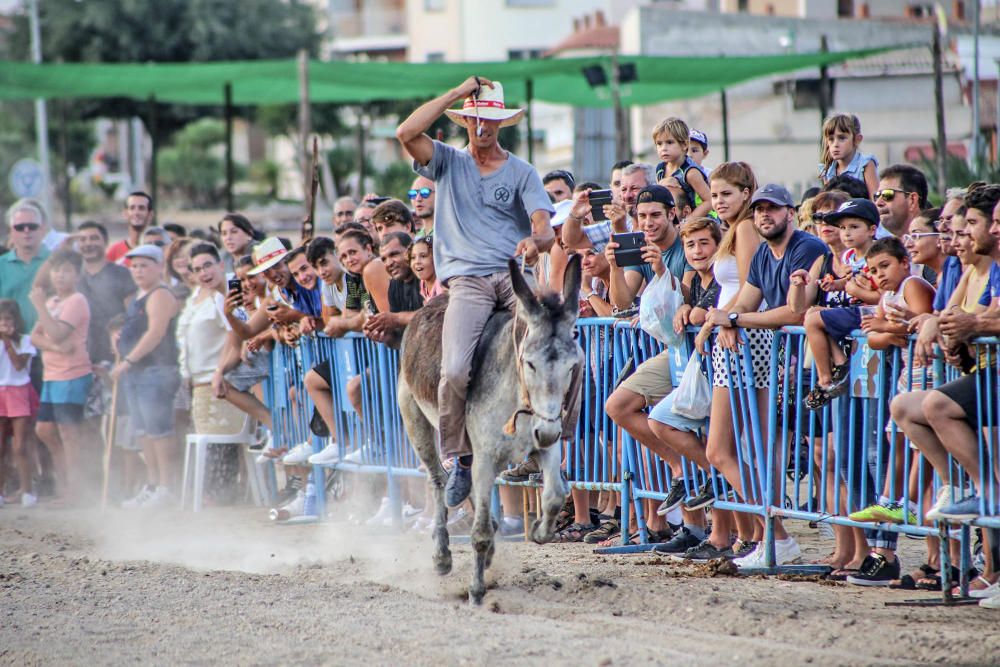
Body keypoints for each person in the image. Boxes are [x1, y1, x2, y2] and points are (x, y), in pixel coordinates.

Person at [396, 75, 555, 506]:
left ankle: (555, 433)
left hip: (513, 274)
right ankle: (459, 459)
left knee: (554, 346)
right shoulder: (446, 161)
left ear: (501, 123)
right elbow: (406, 133)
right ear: (466, 120)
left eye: (490, 120)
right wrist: (453, 93)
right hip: (466, 280)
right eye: (474, 119)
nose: (482, 127)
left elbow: (544, 225)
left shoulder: (522, 171)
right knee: (454, 369)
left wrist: (535, 240)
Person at [700, 184, 828, 569]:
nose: (764, 215)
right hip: (765, 352)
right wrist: (722, 319)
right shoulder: (761, 254)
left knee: (735, 450)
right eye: (759, 210)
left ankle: (780, 537)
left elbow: (793, 314)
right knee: (736, 450)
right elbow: (745, 301)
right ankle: (773, 537)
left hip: (802, 359)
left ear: (790, 212)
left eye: (772, 209)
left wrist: (734, 319)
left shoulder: (806, 247)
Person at [593, 185, 694, 545]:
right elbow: (621, 304)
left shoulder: (686, 246)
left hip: (697, 350)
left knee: (681, 423)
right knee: (618, 406)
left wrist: (662, 268)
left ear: (673, 215)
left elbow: (686, 301)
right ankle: (680, 465)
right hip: (673, 351)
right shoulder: (636, 246)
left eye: (655, 215)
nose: (648, 223)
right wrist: (614, 268)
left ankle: (697, 526)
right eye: (642, 216)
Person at [643, 217, 722, 555]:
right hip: (701, 373)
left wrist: (696, 312)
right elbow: (686, 310)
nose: (697, 250)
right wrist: (690, 305)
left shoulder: (721, 277)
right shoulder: (696, 280)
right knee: (662, 421)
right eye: (691, 245)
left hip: (726, 372)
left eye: (705, 243)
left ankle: (754, 536)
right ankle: (701, 482)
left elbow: (706, 312)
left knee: (725, 454)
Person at [112, 245, 181, 510]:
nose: (138, 271)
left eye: (144, 265)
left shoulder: (160, 294)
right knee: (143, 432)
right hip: (138, 373)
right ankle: (153, 485)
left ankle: (166, 487)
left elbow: (156, 333)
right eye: (134, 266)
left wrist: (129, 360)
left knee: (158, 430)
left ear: (159, 266)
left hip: (156, 371)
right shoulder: (141, 295)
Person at [794, 198, 881, 409]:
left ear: (871, 230)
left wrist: (853, 289)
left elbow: (882, 295)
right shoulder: (850, 255)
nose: (846, 233)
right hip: (854, 310)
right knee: (812, 313)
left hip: (869, 313)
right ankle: (840, 365)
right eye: (842, 228)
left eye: (853, 227)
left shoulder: (878, 254)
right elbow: (850, 283)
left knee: (814, 321)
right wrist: (836, 285)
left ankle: (826, 379)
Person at [178, 243, 246, 504]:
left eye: (208, 265)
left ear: (221, 264)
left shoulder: (227, 292)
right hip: (200, 379)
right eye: (197, 269)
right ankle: (210, 494)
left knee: (219, 443)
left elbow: (234, 337)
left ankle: (220, 494)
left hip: (220, 377)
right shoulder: (207, 294)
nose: (204, 272)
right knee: (206, 443)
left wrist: (220, 370)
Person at [30, 249, 94, 504]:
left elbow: (56, 332)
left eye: (66, 270)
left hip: (72, 374)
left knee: (69, 433)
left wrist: (38, 306)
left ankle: (76, 490)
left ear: (76, 275)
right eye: (56, 270)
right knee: (44, 430)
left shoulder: (77, 300)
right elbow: (35, 336)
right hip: (52, 373)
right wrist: (55, 347)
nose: (59, 275)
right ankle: (67, 483)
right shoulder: (53, 302)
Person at [76, 221, 136, 369]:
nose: (88, 243)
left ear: (106, 242)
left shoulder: (122, 274)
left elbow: (134, 315)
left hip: (114, 358)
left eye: (94, 238)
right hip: (79, 361)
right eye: (82, 239)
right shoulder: (72, 276)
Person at [563, 163, 652, 253]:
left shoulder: (656, 224)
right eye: (624, 189)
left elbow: (637, 263)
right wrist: (575, 215)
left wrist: (620, 230)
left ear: (651, 189)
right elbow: (572, 240)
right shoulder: (615, 224)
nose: (627, 196)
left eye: (634, 188)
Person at [0, 299, 38, 507]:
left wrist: (7, 342)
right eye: (1, 319)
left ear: (16, 320)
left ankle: (28, 491)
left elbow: (17, 365)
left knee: (20, 446)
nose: (4, 323)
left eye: (8, 318)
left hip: (19, 392)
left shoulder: (24, 341)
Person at [363, 231, 423, 345]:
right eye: (384, 259)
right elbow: (399, 340)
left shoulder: (425, 276)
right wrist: (384, 336)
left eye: (394, 254)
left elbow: (433, 315)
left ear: (410, 252)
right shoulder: (394, 285)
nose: (389, 263)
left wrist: (396, 319)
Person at [1, 199, 52, 333]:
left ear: (42, 229)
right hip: (11, 348)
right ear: (11, 231)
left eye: (32, 226)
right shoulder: (1, 265)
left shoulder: (56, 262)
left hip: (49, 346)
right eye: (20, 227)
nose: (26, 231)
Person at [652, 117, 711, 219]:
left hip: (700, 221)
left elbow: (709, 201)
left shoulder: (690, 172)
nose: (663, 148)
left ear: (684, 145)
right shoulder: (660, 169)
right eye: (659, 143)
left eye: (669, 142)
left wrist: (688, 222)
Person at [818, 113, 879, 198]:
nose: (835, 144)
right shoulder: (828, 170)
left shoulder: (865, 164)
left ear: (857, 140)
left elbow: (875, 200)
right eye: (831, 139)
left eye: (842, 138)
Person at [875, 164, 928, 238]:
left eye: (887, 194)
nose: (878, 202)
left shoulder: (934, 244)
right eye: (877, 195)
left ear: (912, 200)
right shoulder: (883, 247)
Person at [106, 192, 154, 264]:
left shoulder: (158, 250)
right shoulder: (113, 252)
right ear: (125, 214)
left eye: (141, 208)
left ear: (150, 214)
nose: (136, 213)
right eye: (132, 208)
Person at [409, 236, 443, 302]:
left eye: (423, 256)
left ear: (436, 257)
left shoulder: (443, 285)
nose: (417, 261)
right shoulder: (423, 283)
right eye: (413, 257)